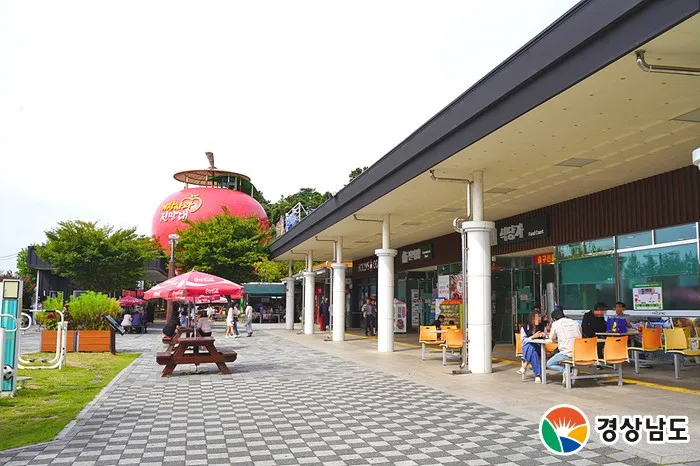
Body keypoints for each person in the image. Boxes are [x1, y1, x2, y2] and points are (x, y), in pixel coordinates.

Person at [546, 307, 582, 383]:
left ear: (554, 319)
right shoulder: (575, 322)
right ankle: (570, 370)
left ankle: (566, 370)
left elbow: (551, 338)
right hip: (579, 353)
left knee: (549, 363)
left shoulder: (555, 324)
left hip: (566, 353)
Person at [518, 313, 546, 383]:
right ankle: (537, 375)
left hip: (539, 347)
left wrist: (544, 335)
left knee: (532, 346)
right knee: (534, 352)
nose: (539, 320)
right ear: (532, 319)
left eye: (539, 318)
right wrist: (532, 337)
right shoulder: (524, 327)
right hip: (526, 348)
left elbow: (547, 336)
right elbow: (523, 341)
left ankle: (525, 364)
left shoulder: (542, 326)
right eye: (537, 318)